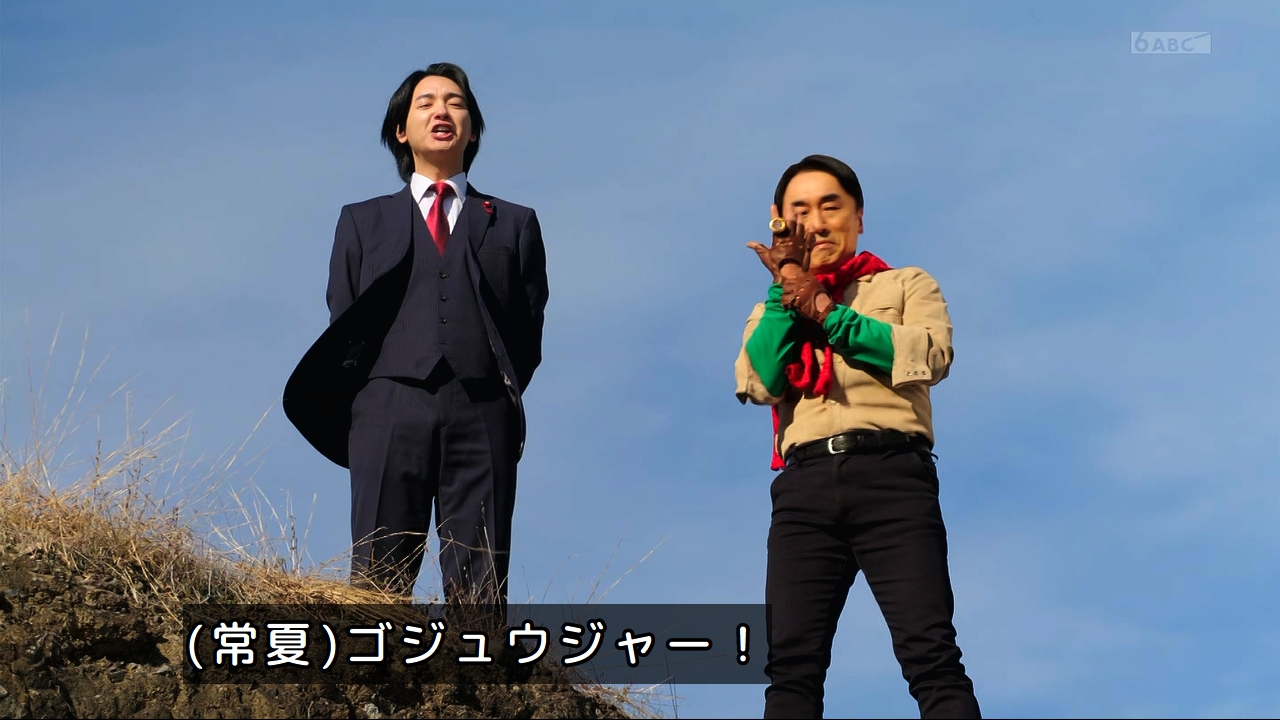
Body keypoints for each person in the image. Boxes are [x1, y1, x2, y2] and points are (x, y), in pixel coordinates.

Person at [282, 63, 548, 606]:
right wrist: (373, 394)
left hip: (482, 408)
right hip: (386, 406)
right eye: (425, 103)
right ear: (401, 130)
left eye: (456, 103)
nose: (442, 111)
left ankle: (478, 657)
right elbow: (344, 316)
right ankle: (374, 659)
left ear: (472, 130)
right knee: (377, 574)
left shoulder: (514, 222)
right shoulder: (363, 220)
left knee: (481, 581)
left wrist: (491, 390)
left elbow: (527, 325)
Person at [735, 155, 980, 718]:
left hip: (893, 475)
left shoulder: (906, 283)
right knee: (790, 669)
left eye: (831, 206)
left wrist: (823, 309)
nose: (817, 222)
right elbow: (760, 381)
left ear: (859, 216)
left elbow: (927, 355)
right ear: (779, 221)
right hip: (803, 489)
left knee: (931, 654)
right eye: (800, 210)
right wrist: (787, 290)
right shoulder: (768, 309)